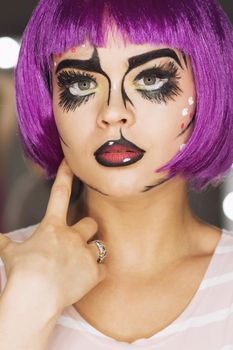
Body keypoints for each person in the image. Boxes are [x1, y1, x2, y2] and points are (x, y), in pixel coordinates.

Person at [0, 0, 233, 349]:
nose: (112, 112)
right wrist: (25, 308)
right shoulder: (9, 276)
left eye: (151, 79)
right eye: (80, 84)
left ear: (209, 89)